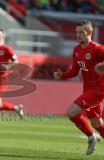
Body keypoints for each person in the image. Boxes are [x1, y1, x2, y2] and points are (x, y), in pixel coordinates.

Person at [54, 20, 104, 155]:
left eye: (81, 32)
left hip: (99, 89)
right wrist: (62, 74)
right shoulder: (76, 50)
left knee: (71, 112)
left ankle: (91, 137)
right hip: (87, 89)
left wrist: (102, 66)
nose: (78, 35)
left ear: (90, 32)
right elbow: (75, 71)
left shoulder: (98, 49)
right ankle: (93, 135)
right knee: (97, 123)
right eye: (77, 32)